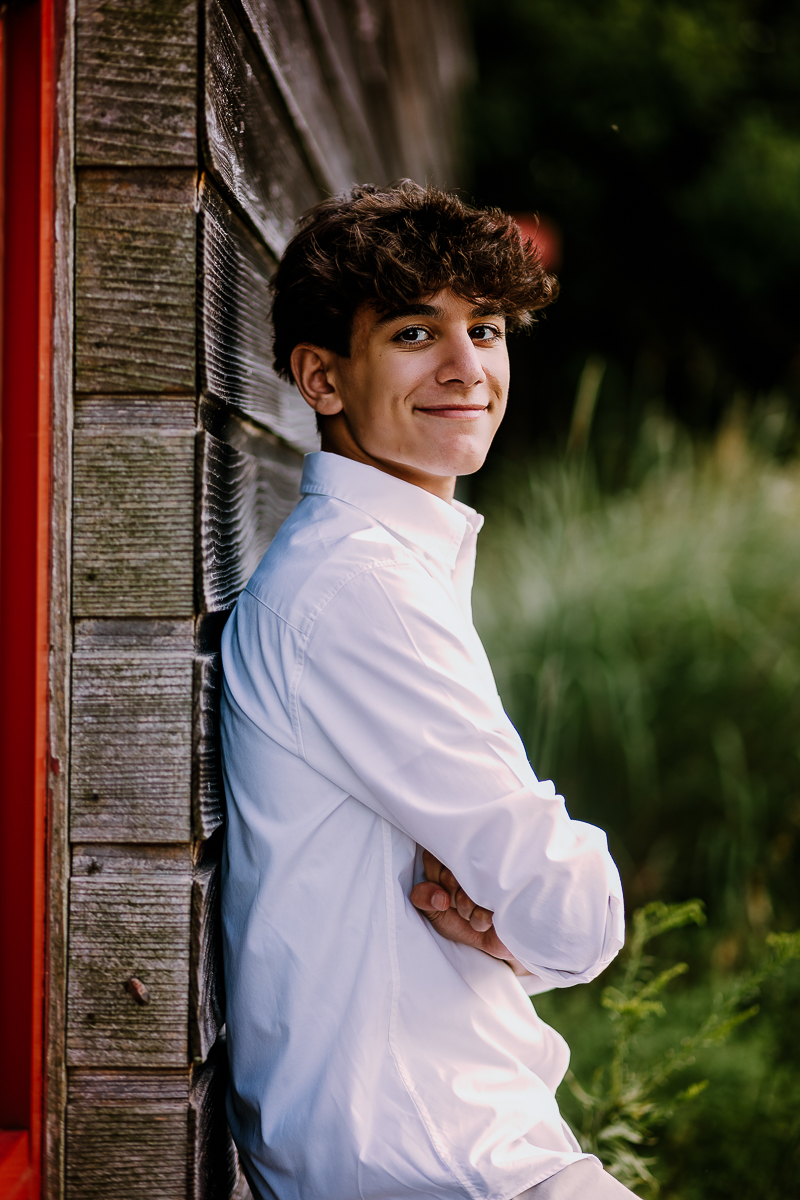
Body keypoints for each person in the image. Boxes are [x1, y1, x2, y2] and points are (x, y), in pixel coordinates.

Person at [220, 181, 632, 1200]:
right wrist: (524, 912)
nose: (467, 368)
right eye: (415, 332)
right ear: (322, 377)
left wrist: (513, 913)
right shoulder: (362, 589)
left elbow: (524, 900)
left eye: (484, 330)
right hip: (439, 1163)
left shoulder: (387, 566)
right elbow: (570, 909)